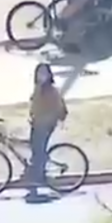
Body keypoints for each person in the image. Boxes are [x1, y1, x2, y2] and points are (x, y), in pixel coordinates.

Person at [28, 63, 67, 198]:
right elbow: (35, 105)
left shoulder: (51, 90)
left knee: (39, 149)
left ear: (49, 75)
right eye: (39, 73)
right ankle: (37, 172)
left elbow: (57, 108)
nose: (41, 76)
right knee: (34, 147)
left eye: (44, 73)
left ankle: (38, 177)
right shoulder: (38, 88)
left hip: (46, 124)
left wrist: (45, 120)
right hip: (37, 123)